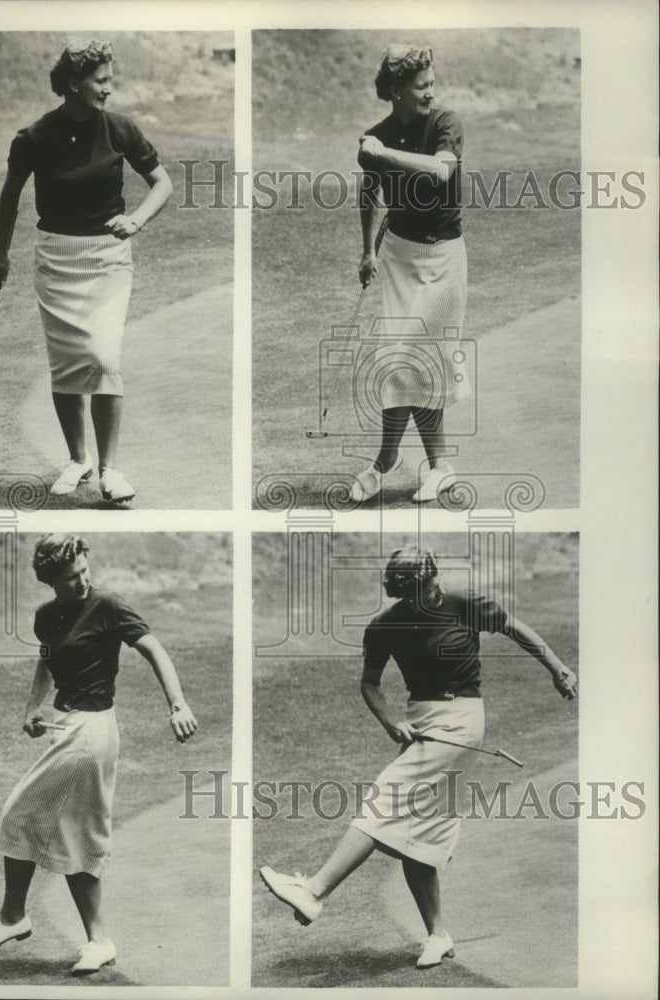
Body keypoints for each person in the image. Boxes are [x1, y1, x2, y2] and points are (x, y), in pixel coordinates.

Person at [259, 544, 577, 968]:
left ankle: (314, 891)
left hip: (462, 720)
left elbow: (515, 629)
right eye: (418, 592)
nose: (430, 594)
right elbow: (370, 684)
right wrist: (390, 721)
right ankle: (438, 935)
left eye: (430, 585)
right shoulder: (385, 626)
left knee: (386, 795)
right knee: (418, 837)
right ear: (403, 593)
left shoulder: (464, 603)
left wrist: (558, 668)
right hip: (420, 720)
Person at [0, 533, 197, 974]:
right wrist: (33, 707)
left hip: (92, 732)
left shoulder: (108, 605)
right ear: (51, 580)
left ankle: (13, 917)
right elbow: (47, 658)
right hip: (64, 726)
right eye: (72, 577)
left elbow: (153, 649)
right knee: (77, 834)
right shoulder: (46, 616)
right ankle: (98, 940)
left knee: (19, 813)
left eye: (85, 570)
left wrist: (178, 704)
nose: (83, 580)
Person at [0, 40, 174, 504]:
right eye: (101, 81)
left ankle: (110, 470)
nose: (109, 89)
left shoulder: (120, 129)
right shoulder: (33, 137)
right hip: (56, 259)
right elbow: (10, 197)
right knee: (66, 363)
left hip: (108, 259)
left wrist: (136, 221)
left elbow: (162, 183)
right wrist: (1, 254)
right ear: (74, 83)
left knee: (104, 357)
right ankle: (78, 460)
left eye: (110, 80)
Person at [351, 44, 469, 504]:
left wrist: (382, 155)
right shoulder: (377, 136)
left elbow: (440, 172)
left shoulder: (444, 123)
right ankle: (414, 463)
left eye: (432, 84)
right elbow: (370, 194)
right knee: (395, 358)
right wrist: (367, 250)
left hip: (443, 259)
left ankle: (408, 462)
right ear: (397, 90)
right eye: (421, 87)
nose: (430, 93)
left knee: (416, 358)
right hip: (399, 256)